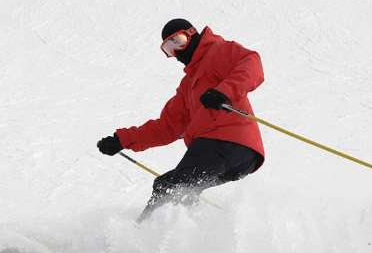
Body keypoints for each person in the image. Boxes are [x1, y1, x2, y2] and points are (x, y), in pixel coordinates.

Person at [97, 18, 265, 222]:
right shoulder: (188, 87)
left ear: (192, 34)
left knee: (169, 188)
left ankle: (144, 236)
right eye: (169, 48)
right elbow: (166, 127)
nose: (176, 52)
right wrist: (122, 140)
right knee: (182, 191)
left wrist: (224, 91)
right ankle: (192, 239)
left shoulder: (217, 51)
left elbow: (251, 61)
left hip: (226, 141)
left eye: (178, 41)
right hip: (241, 158)